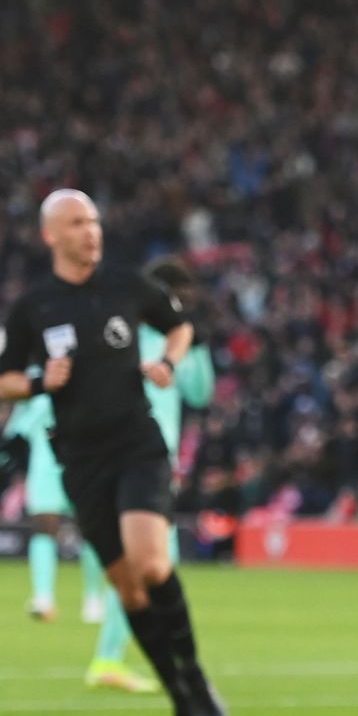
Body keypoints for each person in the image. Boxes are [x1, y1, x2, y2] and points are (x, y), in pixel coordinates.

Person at [0, 190, 226, 716]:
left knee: (150, 563)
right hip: (80, 459)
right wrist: (36, 382)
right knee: (126, 587)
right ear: (51, 235)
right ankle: (179, 698)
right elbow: (1, 380)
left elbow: (181, 325)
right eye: (77, 223)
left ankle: (195, 679)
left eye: (94, 221)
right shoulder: (33, 307)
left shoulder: (126, 284)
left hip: (137, 444)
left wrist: (168, 362)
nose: (90, 231)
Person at [85, 257, 217, 688]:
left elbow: (199, 392)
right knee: (149, 567)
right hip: (133, 460)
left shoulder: (169, 338)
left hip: (154, 464)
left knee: (146, 567)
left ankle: (122, 657)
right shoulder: (130, 333)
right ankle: (118, 660)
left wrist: (194, 348)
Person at [3, 390, 119, 640]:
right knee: (44, 525)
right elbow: (19, 421)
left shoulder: (87, 363)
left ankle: (93, 598)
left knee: (90, 527)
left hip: (83, 458)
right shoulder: (36, 375)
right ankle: (43, 597)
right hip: (45, 462)